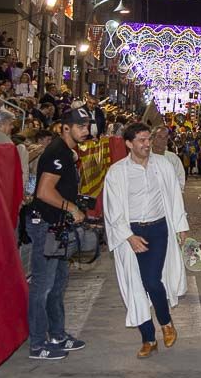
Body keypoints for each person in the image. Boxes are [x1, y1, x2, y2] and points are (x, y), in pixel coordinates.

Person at [103, 123, 190, 358]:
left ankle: (166, 322)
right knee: (135, 286)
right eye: (141, 140)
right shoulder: (117, 172)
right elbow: (112, 210)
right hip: (131, 233)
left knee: (152, 281)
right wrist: (129, 237)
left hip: (159, 229)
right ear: (129, 143)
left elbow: (174, 197)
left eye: (148, 139)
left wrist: (181, 227)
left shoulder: (163, 165)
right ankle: (148, 338)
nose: (147, 144)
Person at [27, 107, 91, 360]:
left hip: (58, 228)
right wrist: (71, 207)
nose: (86, 131)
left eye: (87, 126)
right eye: (81, 126)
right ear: (65, 127)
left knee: (58, 284)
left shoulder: (68, 152)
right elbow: (43, 191)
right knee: (42, 286)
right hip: (45, 225)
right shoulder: (57, 152)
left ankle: (56, 334)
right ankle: (37, 343)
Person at [151, 125, 187, 190]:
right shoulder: (144, 157)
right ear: (152, 138)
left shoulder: (173, 158)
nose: (163, 140)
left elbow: (180, 179)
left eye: (165, 137)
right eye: (159, 137)